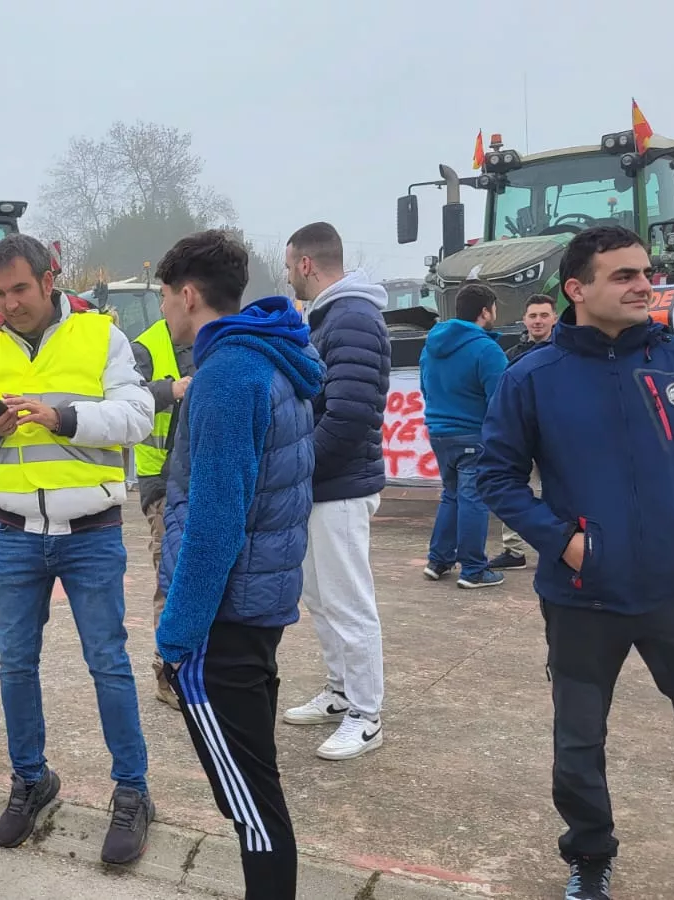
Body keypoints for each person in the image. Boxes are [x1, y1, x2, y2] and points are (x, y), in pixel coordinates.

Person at [478, 225, 674, 900]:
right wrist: (565, 542)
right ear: (577, 289)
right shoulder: (532, 376)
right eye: (622, 275)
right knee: (579, 747)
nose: (642, 284)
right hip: (581, 595)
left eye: (644, 272)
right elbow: (498, 476)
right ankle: (590, 856)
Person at [0, 233, 157, 864]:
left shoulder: (101, 336)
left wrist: (64, 418)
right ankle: (31, 779)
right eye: (1, 293)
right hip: (11, 534)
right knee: (15, 666)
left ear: (49, 278)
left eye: (20, 289)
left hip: (90, 532)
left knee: (109, 665)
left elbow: (138, 415)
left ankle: (132, 790)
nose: (10, 304)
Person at [153, 230, 323, 898]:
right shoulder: (274, 358)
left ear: (188, 296)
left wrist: (176, 633)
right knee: (252, 788)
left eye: (166, 298)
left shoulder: (225, 376)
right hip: (259, 604)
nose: (165, 313)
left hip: (222, 618)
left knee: (252, 805)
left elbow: (215, 522)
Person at [280, 221, 391, 762]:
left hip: (340, 486)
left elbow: (347, 414)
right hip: (323, 485)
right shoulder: (332, 317)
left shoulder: (351, 318)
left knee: (349, 601)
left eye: (288, 267)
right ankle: (340, 690)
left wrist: (299, 466)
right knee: (320, 597)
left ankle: (366, 713)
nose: (288, 278)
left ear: (305, 264)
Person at [419, 282, 508, 589]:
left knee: (452, 495)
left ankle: (439, 560)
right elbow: (502, 399)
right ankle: (473, 568)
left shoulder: (431, 346)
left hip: (439, 433)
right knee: (474, 498)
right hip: (473, 434)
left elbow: (425, 388)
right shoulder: (486, 349)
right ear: (485, 312)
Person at [130, 315, 195, 709]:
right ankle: (167, 675)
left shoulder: (209, 338)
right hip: (161, 479)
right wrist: (172, 389)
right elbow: (128, 399)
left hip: (196, 472)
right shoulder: (147, 346)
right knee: (169, 578)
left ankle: (192, 668)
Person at [489, 294, 557, 571]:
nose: (538, 321)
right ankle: (513, 550)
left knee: (560, 490)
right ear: (524, 320)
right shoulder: (512, 356)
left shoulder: (569, 351)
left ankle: (560, 544)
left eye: (543, 315)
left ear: (554, 318)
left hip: (558, 434)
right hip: (522, 433)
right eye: (533, 316)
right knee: (515, 488)